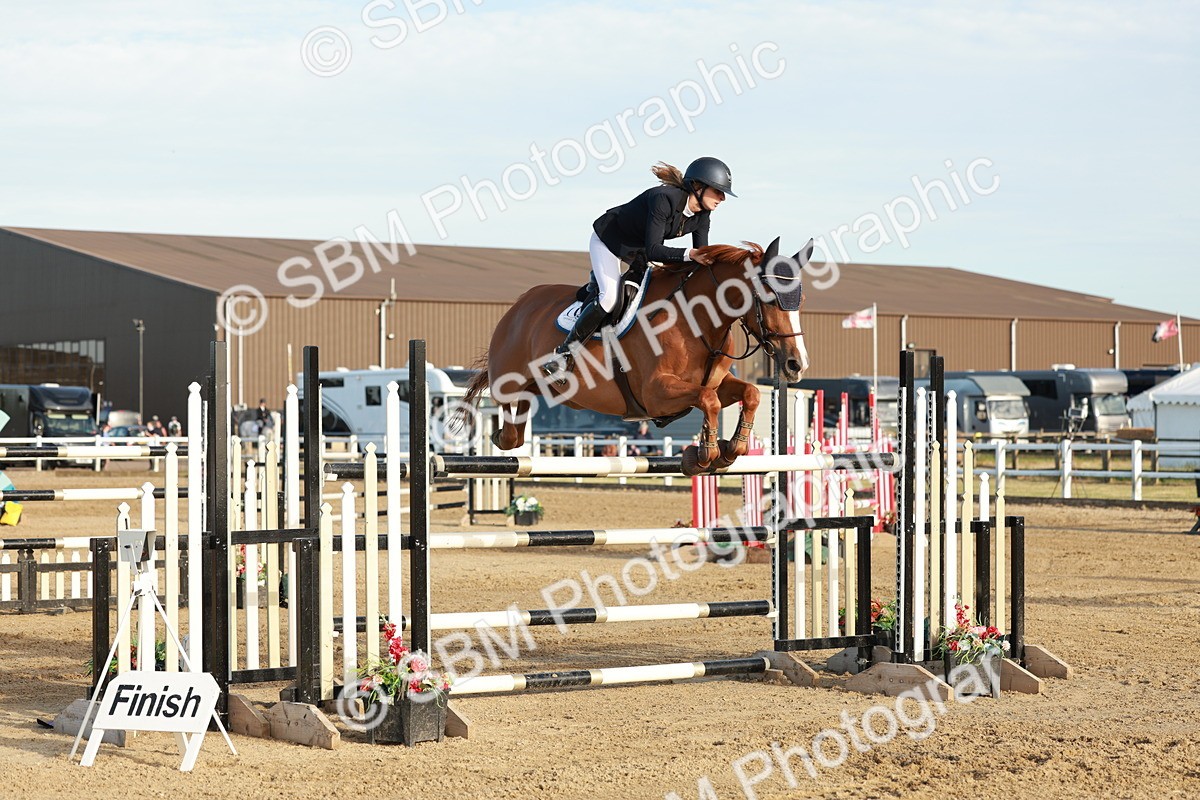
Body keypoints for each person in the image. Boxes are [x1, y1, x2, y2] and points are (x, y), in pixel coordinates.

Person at [542, 157, 735, 377]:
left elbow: (701, 256)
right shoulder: (664, 199)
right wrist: (689, 254)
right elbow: (655, 250)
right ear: (697, 186)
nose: (722, 198)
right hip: (610, 240)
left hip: (638, 251)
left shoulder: (703, 216)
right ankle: (563, 354)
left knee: (644, 295)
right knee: (609, 298)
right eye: (718, 191)